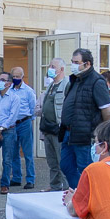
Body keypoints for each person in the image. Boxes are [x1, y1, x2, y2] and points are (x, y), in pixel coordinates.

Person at [58, 49, 110, 189]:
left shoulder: (97, 81)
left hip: (85, 134)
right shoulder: (75, 80)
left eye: (76, 62)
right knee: (66, 166)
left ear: (87, 64)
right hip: (68, 132)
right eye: (72, 62)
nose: (73, 65)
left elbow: (108, 111)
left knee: (86, 169)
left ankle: (90, 196)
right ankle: (78, 193)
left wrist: (98, 131)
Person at [0, 66, 37, 191]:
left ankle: (30, 179)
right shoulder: (9, 90)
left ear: (22, 77)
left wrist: (30, 121)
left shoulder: (28, 91)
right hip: (12, 124)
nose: (15, 79)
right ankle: (16, 177)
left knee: (27, 153)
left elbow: (33, 109)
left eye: (18, 77)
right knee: (14, 152)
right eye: (13, 76)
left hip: (24, 122)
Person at [39, 58, 68, 190]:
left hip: (59, 130)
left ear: (61, 69)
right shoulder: (51, 85)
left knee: (62, 161)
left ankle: (67, 188)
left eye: (53, 66)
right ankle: (54, 186)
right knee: (51, 162)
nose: (50, 68)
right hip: (47, 129)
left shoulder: (66, 84)